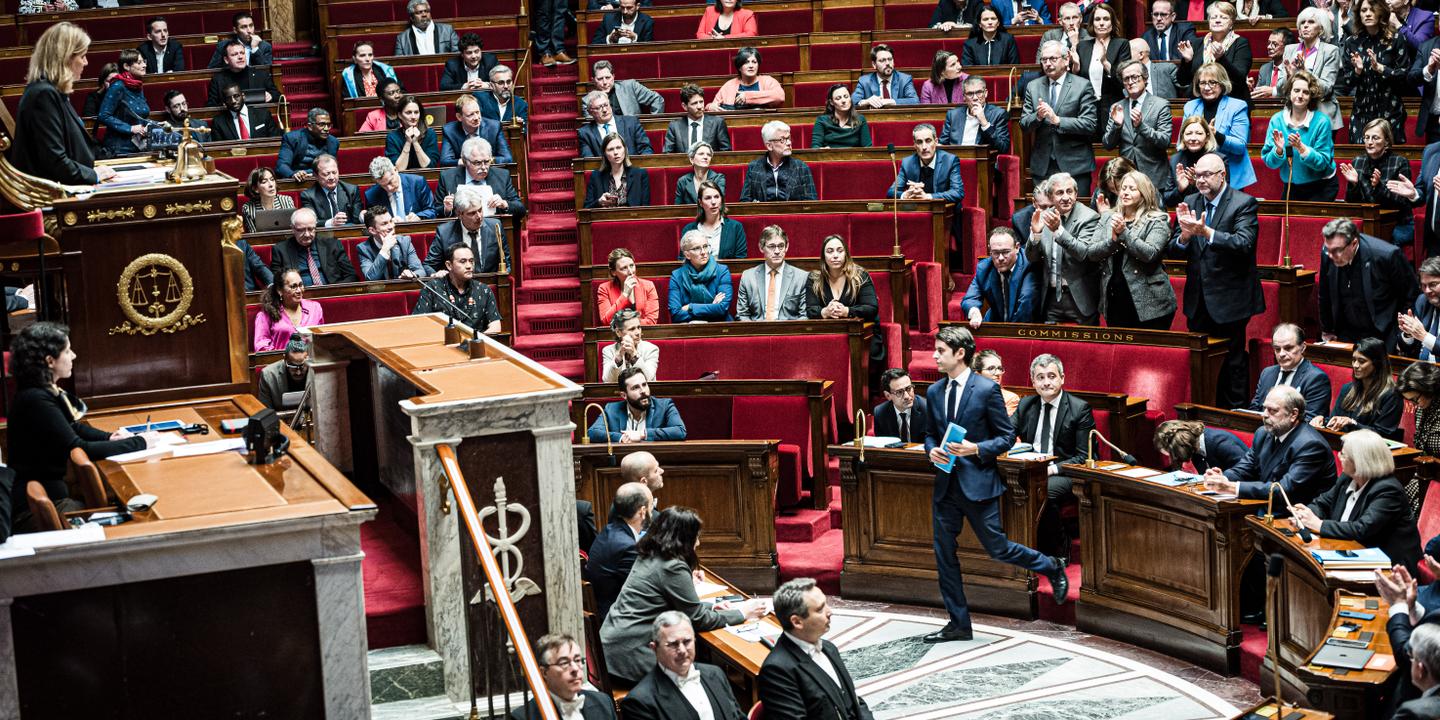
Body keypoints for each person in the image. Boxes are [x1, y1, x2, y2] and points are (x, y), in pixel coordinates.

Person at [925, 326, 1071, 643]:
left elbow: (1006, 437)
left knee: (997, 548)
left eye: (940, 351)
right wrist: (931, 450)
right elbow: (928, 433)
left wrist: (976, 449)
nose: (934, 356)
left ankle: (1051, 565)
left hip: (977, 482)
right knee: (943, 555)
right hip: (945, 485)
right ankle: (958, 623)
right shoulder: (935, 391)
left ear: (960, 354)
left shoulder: (985, 390)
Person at [6, 322, 158, 531]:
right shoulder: (36, 400)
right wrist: (140, 442)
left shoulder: (41, 391)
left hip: (53, 497)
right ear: (50, 361)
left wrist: (109, 437)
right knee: (140, 521)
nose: (74, 356)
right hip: (36, 510)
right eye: (67, 351)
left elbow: (73, 427)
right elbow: (78, 447)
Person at [600, 507, 761, 685]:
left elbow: (664, 602)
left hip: (611, 649)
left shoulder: (649, 554)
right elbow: (698, 619)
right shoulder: (672, 566)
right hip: (631, 657)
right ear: (684, 538)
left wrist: (712, 606)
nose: (698, 543)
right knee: (711, 678)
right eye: (696, 537)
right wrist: (742, 613)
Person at [1169, 152, 1261, 409]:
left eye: (1207, 175)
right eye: (1197, 175)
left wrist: (1206, 232)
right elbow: (1174, 250)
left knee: (1232, 364)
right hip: (1198, 300)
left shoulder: (1243, 203)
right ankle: (1204, 412)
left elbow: (1244, 244)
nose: (1200, 180)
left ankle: (1235, 415)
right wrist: (1185, 237)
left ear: (1222, 175)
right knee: (1201, 362)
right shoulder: (1189, 200)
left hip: (1231, 300)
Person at [1290, 429, 1421, 572]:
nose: (1339, 456)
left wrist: (1319, 525)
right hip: (1349, 552)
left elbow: (1362, 529)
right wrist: (1306, 515)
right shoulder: (1347, 478)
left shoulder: (1388, 490)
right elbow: (1322, 503)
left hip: (1390, 567)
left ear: (1360, 462)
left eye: (1343, 454)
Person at [1014, 354, 1096, 554]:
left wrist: (1050, 470)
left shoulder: (1079, 409)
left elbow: (1084, 457)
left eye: (1051, 376)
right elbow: (1004, 433)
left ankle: (1059, 548)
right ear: (1033, 381)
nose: (1046, 382)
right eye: (1040, 377)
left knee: (1043, 491)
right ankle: (1022, 545)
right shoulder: (1026, 405)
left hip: (1066, 472)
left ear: (1062, 378)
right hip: (1032, 470)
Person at [758, 578, 873, 720]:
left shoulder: (829, 648)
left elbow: (854, 702)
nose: (830, 612)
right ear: (797, 622)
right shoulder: (777, 670)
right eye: (820, 609)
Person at [1203, 385, 1337, 508]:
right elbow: (1246, 467)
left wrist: (1231, 487)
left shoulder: (1310, 445)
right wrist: (1223, 478)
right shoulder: (1263, 433)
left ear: (1293, 414)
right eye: (1265, 408)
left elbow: (1285, 490)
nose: (1265, 415)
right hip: (1269, 507)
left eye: (1273, 410)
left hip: (1297, 515)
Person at [1086, 171, 1178, 330]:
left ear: (1143, 194)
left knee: (1148, 353)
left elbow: (1149, 254)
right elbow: (1092, 253)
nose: (1125, 192)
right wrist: (1113, 241)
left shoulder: (1157, 220)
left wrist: (1124, 234)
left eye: (1132, 189)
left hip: (1152, 304)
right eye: (1123, 188)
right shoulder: (1109, 217)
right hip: (1115, 300)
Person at [621, 612, 747, 720]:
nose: (682, 650)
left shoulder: (715, 674)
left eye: (687, 641)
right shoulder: (639, 702)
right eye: (673, 644)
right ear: (654, 648)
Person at [1319, 218, 1418, 350]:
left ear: (1354, 244)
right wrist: (1327, 329)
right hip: (1346, 332)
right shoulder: (1329, 253)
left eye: (1336, 251)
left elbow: (1410, 296)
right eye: (1328, 249)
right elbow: (1324, 294)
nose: (1331, 256)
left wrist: (1400, 336)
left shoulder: (1386, 255)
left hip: (1382, 333)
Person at [1022, 40, 1098, 196]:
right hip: (1043, 165)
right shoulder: (1033, 86)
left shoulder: (1082, 86)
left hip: (1075, 165)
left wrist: (1058, 120)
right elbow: (1024, 124)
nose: (1048, 64)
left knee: (1076, 216)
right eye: (1044, 60)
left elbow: (1090, 124)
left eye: (1053, 59)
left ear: (1066, 59)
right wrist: (1038, 116)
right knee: (1045, 215)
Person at [1026, 171, 1102, 325]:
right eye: (1060, 193)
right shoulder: (1043, 216)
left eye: (1070, 192)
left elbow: (1083, 253)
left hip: (1080, 298)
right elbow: (1032, 258)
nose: (1066, 197)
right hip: (1051, 297)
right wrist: (1036, 234)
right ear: (1050, 197)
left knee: (1086, 347)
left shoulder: (1089, 217)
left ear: (1076, 194)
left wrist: (1058, 231)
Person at [1339, 0, 1413, 144]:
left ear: (1381, 12)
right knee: (1360, 159)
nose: (1367, 14)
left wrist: (1381, 69)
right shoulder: (1351, 42)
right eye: (1363, 10)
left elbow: (1405, 76)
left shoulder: (1396, 39)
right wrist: (1358, 71)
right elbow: (1346, 83)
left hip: (1389, 108)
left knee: (1389, 159)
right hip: (1362, 109)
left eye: (1372, 10)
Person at [1261, 70, 1338, 201]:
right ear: (1289, 92)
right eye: (1296, 90)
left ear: (1311, 96)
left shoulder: (1321, 121)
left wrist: (1302, 149)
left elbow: (1322, 163)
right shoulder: (1277, 120)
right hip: (1292, 185)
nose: (1300, 95)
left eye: (1306, 92)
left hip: (1321, 185)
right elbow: (1270, 162)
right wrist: (1279, 151)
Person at [1105, 59, 1175, 197]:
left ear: (1145, 78)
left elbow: (1165, 141)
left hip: (1153, 176)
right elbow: (1107, 144)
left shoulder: (1160, 105)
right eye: (1126, 79)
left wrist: (1141, 127)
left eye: (1135, 77)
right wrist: (1117, 126)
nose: (1130, 82)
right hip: (1125, 177)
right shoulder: (1117, 107)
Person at [584, 482, 653, 620]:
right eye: (652, 505)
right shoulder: (627, 546)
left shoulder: (609, 531)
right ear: (643, 511)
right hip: (619, 619)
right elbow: (646, 592)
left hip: (607, 608)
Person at [1182, 62, 1256, 191]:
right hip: (1200, 175)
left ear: (1222, 84)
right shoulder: (1190, 106)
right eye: (1203, 83)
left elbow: (1240, 146)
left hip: (1230, 176)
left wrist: (1216, 135)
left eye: (1212, 82)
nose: (1207, 87)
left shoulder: (1237, 106)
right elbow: (1182, 140)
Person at [1311, 337, 1403, 440]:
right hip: (1344, 444)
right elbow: (1335, 420)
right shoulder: (1347, 389)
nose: (1355, 365)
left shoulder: (1391, 394)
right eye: (1354, 360)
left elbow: (1384, 435)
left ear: (1377, 364)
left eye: (1362, 361)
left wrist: (1353, 423)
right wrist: (1322, 420)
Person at [507, 634, 616, 720]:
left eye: (577, 660)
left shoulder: (603, 703)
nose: (574, 669)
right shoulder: (522, 717)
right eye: (564, 663)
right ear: (544, 672)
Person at [1342, 119, 1414, 247]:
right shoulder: (1357, 162)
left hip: (1398, 222)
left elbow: (1401, 203)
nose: (1369, 142)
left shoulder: (1400, 162)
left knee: (1385, 243)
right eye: (1367, 138)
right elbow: (1350, 203)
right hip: (1367, 220)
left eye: (1375, 138)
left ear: (1386, 141)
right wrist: (1354, 184)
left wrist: (1379, 187)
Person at [411, 244, 503, 334]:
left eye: (471, 261)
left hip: (476, 345)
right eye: (463, 261)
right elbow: (419, 324)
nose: (469, 266)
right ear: (449, 265)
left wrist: (475, 342)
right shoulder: (432, 288)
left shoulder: (484, 290)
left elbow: (495, 326)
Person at [1251, 324, 1333, 420]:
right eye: (1277, 349)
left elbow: (1310, 420)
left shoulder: (1316, 378)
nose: (1281, 354)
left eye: (1288, 348)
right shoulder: (1267, 373)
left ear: (1303, 347)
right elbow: (1255, 409)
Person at [1073, 4, 1130, 141]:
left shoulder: (1121, 44)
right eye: (1097, 19)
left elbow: (1123, 80)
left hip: (1112, 106)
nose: (1102, 23)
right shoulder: (1083, 46)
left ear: (1112, 22)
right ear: (1092, 23)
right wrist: (1075, 66)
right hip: (1087, 107)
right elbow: (1077, 80)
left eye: (1106, 19)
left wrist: (1105, 63)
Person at [1177, 2, 1254, 103]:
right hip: (1200, 102)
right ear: (1209, 22)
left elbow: (1239, 78)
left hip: (1232, 101)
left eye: (1223, 17)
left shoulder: (1241, 43)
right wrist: (1187, 62)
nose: (1217, 20)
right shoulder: (1197, 44)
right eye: (1213, 17)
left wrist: (1221, 58)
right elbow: (1182, 81)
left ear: (1231, 23)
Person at [963, 227, 1040, 326]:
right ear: (990, 250)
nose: (1000, 258)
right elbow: (970, 298)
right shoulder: (984, 268)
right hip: (996, 323)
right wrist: (974, 313)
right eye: (995, 253)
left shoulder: (1028, 264)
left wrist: (1007, 334)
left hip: (1024, 326)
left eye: (1005, 252)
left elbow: (1026, 303)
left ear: (1017, 247)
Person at [1281, 10, 1343, 129]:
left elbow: (1326, 88)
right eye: (1302, 22)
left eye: (1311, 22)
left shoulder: (1331, 51)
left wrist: (1304, 71)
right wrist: (1289, 77)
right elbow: (1280, 89)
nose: (1305, 25)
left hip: (1322, 113)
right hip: (1294, 114)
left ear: (1321, 28)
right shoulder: (1289, 50)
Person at [427, 185, 509, 275]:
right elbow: (428, 265)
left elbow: (507, 263)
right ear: (459, 214)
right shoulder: (444, 232)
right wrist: (437, 275)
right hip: (457, 286)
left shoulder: (495, 226)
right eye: (472, 213)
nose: (479, 216)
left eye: (480, 210)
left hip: (489, 284)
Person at [439, 137, 524, 220]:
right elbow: (436, 212)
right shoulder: (447, 178)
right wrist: (447, 210)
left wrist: (504, 204)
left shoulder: (502, 176)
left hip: (494, 229)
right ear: (465, 161)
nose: (484, 167)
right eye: (477, 163)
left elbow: (521, 209)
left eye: (487, 162)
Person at [269, 209, 359, 288]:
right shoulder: (280, 250)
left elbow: (351, 275)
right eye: (301, 230)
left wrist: (334, 291)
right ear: (292, 229)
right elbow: (278, 282)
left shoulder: (332, 244)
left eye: (311, 229)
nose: (307, 235)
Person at [806, 235, 879, 330]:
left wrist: (846, 311)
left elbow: (871, 308)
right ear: (823, 256)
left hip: (860, 334)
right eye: (830, 251)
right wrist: (825, 312)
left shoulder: (860, 276)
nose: (835, 255)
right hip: (828, 333)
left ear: (846, 254)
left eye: (840, 251)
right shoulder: (814, 279)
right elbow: (810, 311)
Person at [888, 123, 964, 204]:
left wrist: (927, 197)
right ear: (915, 145)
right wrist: (906, 195)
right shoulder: (907, 163)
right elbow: (891, 192)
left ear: (936, 142)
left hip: (946, 212)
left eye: (928, 141)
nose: (924, 147)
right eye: (919, 142)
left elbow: (958, 193)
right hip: (919, 213)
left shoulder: (950, 161)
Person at [739, 121, 816, 202]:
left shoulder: (801, 167)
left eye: (789, 138)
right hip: (764, 214)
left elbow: (812, 203)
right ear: (769, 146)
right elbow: (745, 201)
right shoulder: (754, 167)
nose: (789, 143)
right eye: (782, 139)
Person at [254, 268, 325, 352]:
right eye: (293, 286)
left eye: (301, 285)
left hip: (310, 361)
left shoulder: (315, 308)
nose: (299, 290)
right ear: (279, 290)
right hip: (280, 363)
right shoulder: (266, 314)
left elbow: (321, 340)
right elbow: (261, 347)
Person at [669, 230, 733, 323]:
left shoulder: (722, 271)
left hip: (720, 328)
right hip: (688, 330)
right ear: (687, 254)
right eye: (696, 248)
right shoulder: (677, 276)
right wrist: (712, 306)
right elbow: (675, 314)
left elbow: (722, 309)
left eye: (705, 246)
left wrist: (690, 307)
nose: (703, 252)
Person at [96, 49, 149, 158]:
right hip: (119, 148)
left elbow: (138, 115)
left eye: (144, 61)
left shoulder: (137, 85)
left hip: (138, 146)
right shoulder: (118, 85)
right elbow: (103, 115)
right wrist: (130, 128)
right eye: (139, 63)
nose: (144, 65)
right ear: (126, 66)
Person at [940, 77, 1010, 152]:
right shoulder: (953, 115)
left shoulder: (998, 114)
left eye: (979, 92)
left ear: (985, 93)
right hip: (956, 160)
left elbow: (1003, 148)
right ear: (964, 97)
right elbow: (942, 144)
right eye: (970, 94)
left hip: (982, 162)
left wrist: (984, 123)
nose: (975, 98)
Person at [439, 95, 513, 167]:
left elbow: (507, 158)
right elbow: (445, 161)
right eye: (470, 115)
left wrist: (485, 161)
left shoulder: (494, 127)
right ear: (459, 117)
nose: (476, 118)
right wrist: (467, 162)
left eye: (477, 112)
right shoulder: (449, 130)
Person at [1153, 419, 1249, 473]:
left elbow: (1247, 471)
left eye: (1172, 454)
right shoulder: (1193, 445)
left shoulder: (1219, 442)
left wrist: (1222, 479)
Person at [585, 134, 651, 210]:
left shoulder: (640, 174)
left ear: (625, 150)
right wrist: (599, 202)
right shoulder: (596, 176)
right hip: (606, 219)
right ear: (605, 154)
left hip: (632, 218)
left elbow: (646, 209)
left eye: (619, 148)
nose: (616, 152)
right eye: (610, 149)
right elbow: (586, 209)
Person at [579, 91, 653, 157]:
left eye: (606, 105)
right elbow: (589, 161)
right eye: (598, 108)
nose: (604, 110)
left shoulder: (631, 122)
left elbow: (646, 149)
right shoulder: (585, 133)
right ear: (590, 112)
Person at [357, 207, 424, 281]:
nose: (391, 226)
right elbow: (371, 279)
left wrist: (412, 274)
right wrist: (384, 250)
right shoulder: (363, 249)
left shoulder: (404, 242)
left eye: (391, 221)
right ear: (372, 230)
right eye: (384, 224)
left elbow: (421, 271)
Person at [708, 47, 785, 111]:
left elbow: (780, 96)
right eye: (746, 62)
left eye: (754, 62)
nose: (751, 66)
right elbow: (713, 105)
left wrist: (747, 96)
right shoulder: (729, 85)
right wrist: (710, 107)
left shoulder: (768, 81)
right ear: (739, 67)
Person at [680, 181, 744, 258]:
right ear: (700, 202)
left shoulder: (736, 227)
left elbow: (741, 259)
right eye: (708, 198)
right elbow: (683, 260)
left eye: (716, 197)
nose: (713, 202)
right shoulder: (689, 229)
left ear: (721, 199)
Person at [206, 39, 278, 107]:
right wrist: (225, 105)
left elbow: (277, 95)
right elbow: (211, 105)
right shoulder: (218, 79)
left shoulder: (261, 74)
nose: (240, 57)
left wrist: (271, 96)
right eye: (235, 54)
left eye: (242, 53)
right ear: (226, 60)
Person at [598, 248, 660, 325]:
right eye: (624, 268)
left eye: (632, 265)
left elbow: (651, 322)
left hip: (643, 334)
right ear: (613, 272)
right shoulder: (604, 289)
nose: (631, 272)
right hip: (616, 335)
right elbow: (607, 321)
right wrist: (625, 295)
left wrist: (623, 325)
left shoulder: (648, 286)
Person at [663, 83, 731, 153]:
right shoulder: (674, 127)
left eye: (701, 102)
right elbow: (667, 156)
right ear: (684, 106)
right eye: (694, 103)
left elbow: (726, 153)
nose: (699, 106)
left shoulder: (717, 123)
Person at [364, 156, 438, 221]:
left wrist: (419, 217)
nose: (389, 188)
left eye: (390, 182)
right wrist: (387, 223)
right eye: (383, 185)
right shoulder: (371, 195)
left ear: (395, 170)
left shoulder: (417, 183)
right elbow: (372, 223)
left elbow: (432, 211)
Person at [301, 155, 366, 228]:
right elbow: (310, 222)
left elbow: (356, 218)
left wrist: (362, 216)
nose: (332, 177)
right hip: (324, 237)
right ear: (316, 176)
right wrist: (331, 223)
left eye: (334, 172)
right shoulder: (308, 196)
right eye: (326, 174)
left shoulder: (351, 190)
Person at [277, 109, 338, 182]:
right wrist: (293, 174)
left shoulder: (333, 142)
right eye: (321, 125)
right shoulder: (292, 138)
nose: (326, 129)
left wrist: (310, 173)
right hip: (296, 181)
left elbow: (331, 167)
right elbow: (281, 166)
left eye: (328, 125)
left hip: (322, 180)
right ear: (310, 126)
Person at [588, 62, 665, 121]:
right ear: (593, 80)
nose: (605, 82)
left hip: (632, 134)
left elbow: (657, 99)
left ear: (613, 77)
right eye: (600, 79)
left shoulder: (630, 86)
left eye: (608, 77)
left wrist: (652, 123)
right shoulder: (587, 100)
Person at [1168, 115, 1218, 205]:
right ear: (1183, 137)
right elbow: (1168, 200)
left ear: (1207, 137)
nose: (1193, 138)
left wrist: (1197, 184)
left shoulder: (1218, 160)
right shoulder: (1175, 160)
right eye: (1188, 134)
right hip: (1184, 215)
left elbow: (1222, 197)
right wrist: (1180, 189)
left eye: (1199, 133)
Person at [208, 82, 282, 142]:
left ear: (243, 96)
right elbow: (220, 151)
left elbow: (275, 141)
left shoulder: (263, 115)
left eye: (236, 96)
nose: (233, 101)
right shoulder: (218, 123)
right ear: (224, 102)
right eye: (228, 98)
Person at [874, 368, 930, 444]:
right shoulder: (880, 413)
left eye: (909, 388)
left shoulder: (927, 409)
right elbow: (882, 446)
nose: (907, 396)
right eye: (899, 392)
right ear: (888, 395)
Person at [854, 44, 920, 108]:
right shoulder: (864, 81)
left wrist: (891, 101)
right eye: (882, 60)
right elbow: (852, 102)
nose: (888, 63)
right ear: (874, 64)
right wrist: (867, 101)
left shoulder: (904, 79)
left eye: (890, 59)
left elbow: (915, 101)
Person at [258, 335, 312, 411]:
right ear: (285, 359)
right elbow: (266, 412)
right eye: (293, 367)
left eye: (302, 366)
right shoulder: (268, 375)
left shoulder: (316, 372)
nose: (298, 372)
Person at [1400, 257, 1440, 360]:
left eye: (1433, 284)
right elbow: (1407, 349)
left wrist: (1424, 336)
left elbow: (1423, 336)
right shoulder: (1423, 301)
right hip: (1421, 371)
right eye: (1423, 285)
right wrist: (1409, 333)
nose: (1427, 291)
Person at [602, 309, 659, 382]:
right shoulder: (608, 351)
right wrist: (619, 357)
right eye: (632, 329)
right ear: (618, 332)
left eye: (639, 327)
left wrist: (634, 354)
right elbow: (608, 380)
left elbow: (648, 379)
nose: (638, 332)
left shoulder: (651, 349)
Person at [385, 96, 439, 171]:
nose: (413, 117)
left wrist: (415, 142)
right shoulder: (392, 137)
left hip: (426, 177)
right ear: (400, 115)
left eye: (416, 112)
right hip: (402, 180)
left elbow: (429, 167)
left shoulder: (430, 134)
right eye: (408, 113)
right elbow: (398, 169)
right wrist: (408, 142)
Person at [812, 84, 871, 148]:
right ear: (831, 102)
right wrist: (822, 149)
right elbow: (815, 147)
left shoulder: (860, 119)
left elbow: (868, 147)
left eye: (846, 96)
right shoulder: (822, 120)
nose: (843, 101)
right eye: (838, 98)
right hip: (830, 156)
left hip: (853, 157)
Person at [207, 11, 272, 69]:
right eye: (244, 27)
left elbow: (267, 71)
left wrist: (255, 49)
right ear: (235, 30)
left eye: (251, 26)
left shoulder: (265, 46)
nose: (249, 31)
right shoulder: (223, 46)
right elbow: (212, 70)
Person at [240, 167, 296, 233]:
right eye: (264, 182)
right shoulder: (248, 208)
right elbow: (253, 237)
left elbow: (295, 228)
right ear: (256, 189)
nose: (271, 185)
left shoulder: (286, 200)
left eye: (272, 180)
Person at [1401, 362, 1440, 457]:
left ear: (1428, 390)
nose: (1414, 405)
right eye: (1410, 400)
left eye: (1415, 399)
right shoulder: (1421, 409)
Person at [394, 0, 459, 55]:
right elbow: (400, 63)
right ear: (412, 18)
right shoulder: (402, 38)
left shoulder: (448, 30)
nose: (424, 15)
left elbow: (457, 54)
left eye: (426, 11)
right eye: (419, 12)